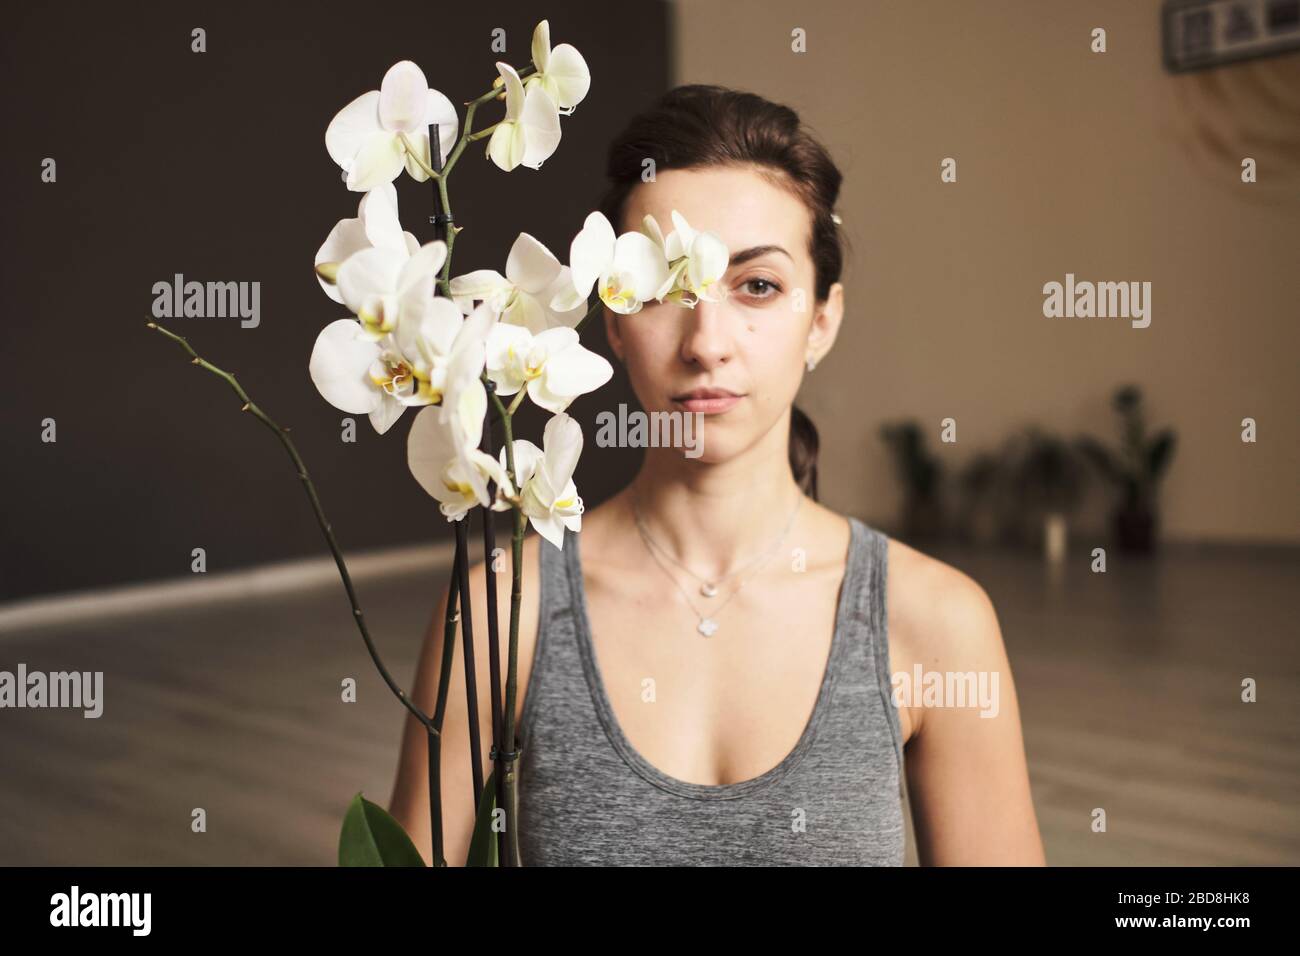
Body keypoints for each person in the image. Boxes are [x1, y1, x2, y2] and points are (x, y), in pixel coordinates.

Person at [390, 85, 1045, 866]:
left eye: (757, 286)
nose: (707, 341)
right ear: (612, 319)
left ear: (822, 320)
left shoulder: (935, 622)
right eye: (667, 289)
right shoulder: (504, 611)